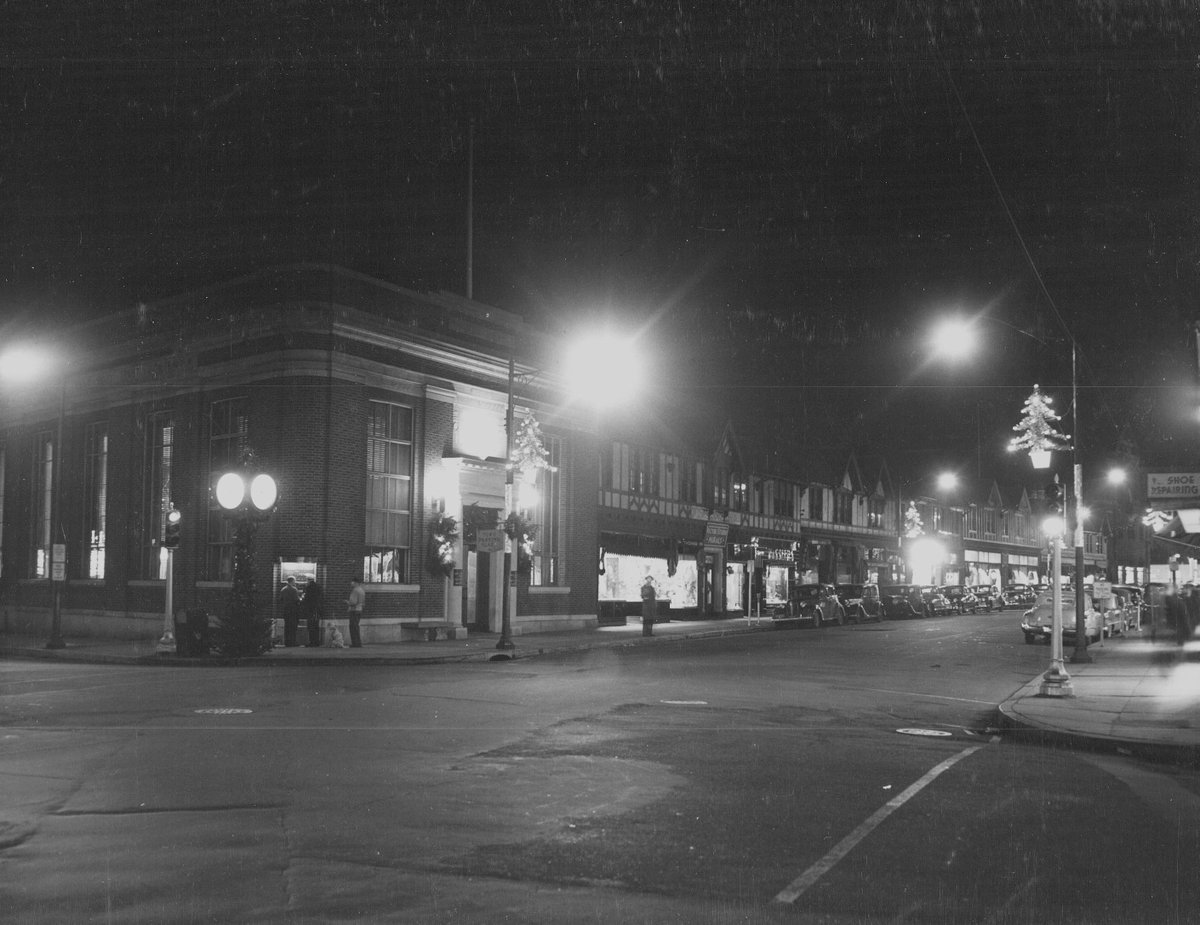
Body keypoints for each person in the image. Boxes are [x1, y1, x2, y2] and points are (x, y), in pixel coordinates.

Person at [278, 576, 302, 647]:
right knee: (293, 627)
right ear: (292, 581)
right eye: (294, 581)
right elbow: (297, 600)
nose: (295, 583)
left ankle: (287, 642)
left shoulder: (283, 589)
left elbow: (280, 599)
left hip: (286, 610)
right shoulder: (294, 589)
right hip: (293, 610)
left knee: (287, 626)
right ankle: (292, 642)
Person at [301, 578, 324, 647]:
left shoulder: (309, 588)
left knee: (311, 626)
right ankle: (316, 642)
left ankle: (312, 642)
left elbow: (306, 599)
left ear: (308, 581)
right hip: (317, 609)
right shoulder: (319, 588)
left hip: (311, 609)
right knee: (316, 626)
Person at [345, 578, 366, 648]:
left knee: (353, 627)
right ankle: (358, 642)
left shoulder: (355, 590)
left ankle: (355, 643)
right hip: (359, 609)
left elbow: (353, 602)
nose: (351, 583)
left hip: (354, 610)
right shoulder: (362, 590)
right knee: (356, 626)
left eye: (352, 582)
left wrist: (347, 602)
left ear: (356, 583)